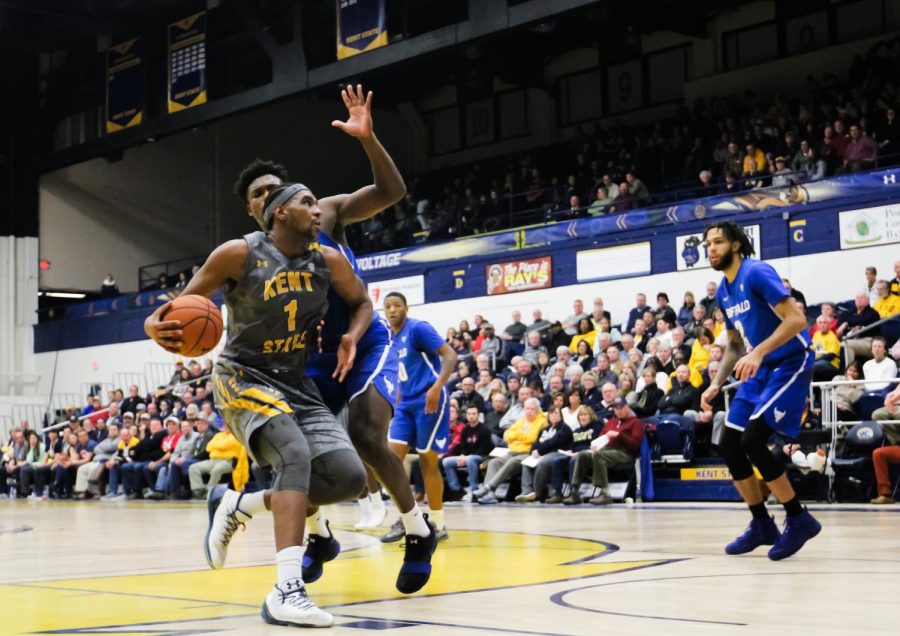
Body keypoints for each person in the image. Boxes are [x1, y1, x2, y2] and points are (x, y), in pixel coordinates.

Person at [222, 85, 432, 581]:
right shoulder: (245, 255)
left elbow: (391, 193)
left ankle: (417, 529)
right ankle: (318, 534)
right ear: (256, 211)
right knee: (292, 455)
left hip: (362, 341)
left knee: (363, 433)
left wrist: (368, 138)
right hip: (304, 358)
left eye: (277, 186)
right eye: (259, 193)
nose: (271, 194)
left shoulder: (327, 215)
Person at [145, 181, 375, 627]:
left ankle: (239, 505)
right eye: (307, 202)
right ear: (280, 213)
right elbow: (179, 308)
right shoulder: (239, 253)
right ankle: (286, 590)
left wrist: (351, 335)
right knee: (293, 453)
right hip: (242, 375)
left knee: (347, 478)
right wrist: (154, 325)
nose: (317, 210)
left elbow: (362, 302)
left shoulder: (327, 260)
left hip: (295, 381)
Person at [700, 221, 821, 561]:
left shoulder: (756, 273)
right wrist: (715, 383)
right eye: (708, 243)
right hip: (761, 366)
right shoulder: (723, 291)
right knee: (728, 443)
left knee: (753, 440)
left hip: (790, 360)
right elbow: (736, 344)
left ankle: (799, 519)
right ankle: (761, 524)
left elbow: (797, 320)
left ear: (736, 245)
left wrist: (760, 352)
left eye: (719, 242)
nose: (711, 249)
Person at [381, 291, 457, 546]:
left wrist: (436, 388)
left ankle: (437, 522)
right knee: (390, 461)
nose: (392, 310)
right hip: (405, 405)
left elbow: (450, 355)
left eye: (397, 305)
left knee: (428, 462)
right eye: (387, 306)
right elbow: (401, 372)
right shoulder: (389, 337)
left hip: (429, 399)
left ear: (406, 308)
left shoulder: (418, 329)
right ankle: (408, 518)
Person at [564, 398, 644, 505]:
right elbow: (601, 438)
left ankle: (604, 493)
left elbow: (635, 444)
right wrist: (595, 446)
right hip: (606, 451)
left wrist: (619, 435)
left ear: (627, 407)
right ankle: (574, 492)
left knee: (599, 455)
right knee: (582, 455)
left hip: (625, 453)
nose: (618, 411)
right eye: (616, 408)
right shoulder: (611, 422)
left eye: (621, 408)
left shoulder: (636, 423)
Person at [472, 398, 547, 504]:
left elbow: (532, 438)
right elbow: (507, 435)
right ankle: (491, 495)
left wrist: (517, 438)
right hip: (512, 452)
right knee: (494, 462)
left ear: (538, 410)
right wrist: (521, 436)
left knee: (512, 462)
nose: (529, 411)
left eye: (532, 409)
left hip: (528, 454)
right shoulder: (521, 421)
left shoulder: (542, 422)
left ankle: (488, 487)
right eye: (527, 408)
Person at [441, 405, 493, 500]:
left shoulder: (485, 430)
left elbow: (484, 450)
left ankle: (474, 489)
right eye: (469, 414)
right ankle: (457, 489)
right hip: (467, 457)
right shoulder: (465, 429)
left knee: (470, 459)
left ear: (478, 415)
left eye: (474, 414)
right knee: (446, 461)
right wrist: (462, 456)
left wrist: (466, 457)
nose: (471, 416)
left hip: (482, 457)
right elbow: (463, 447)